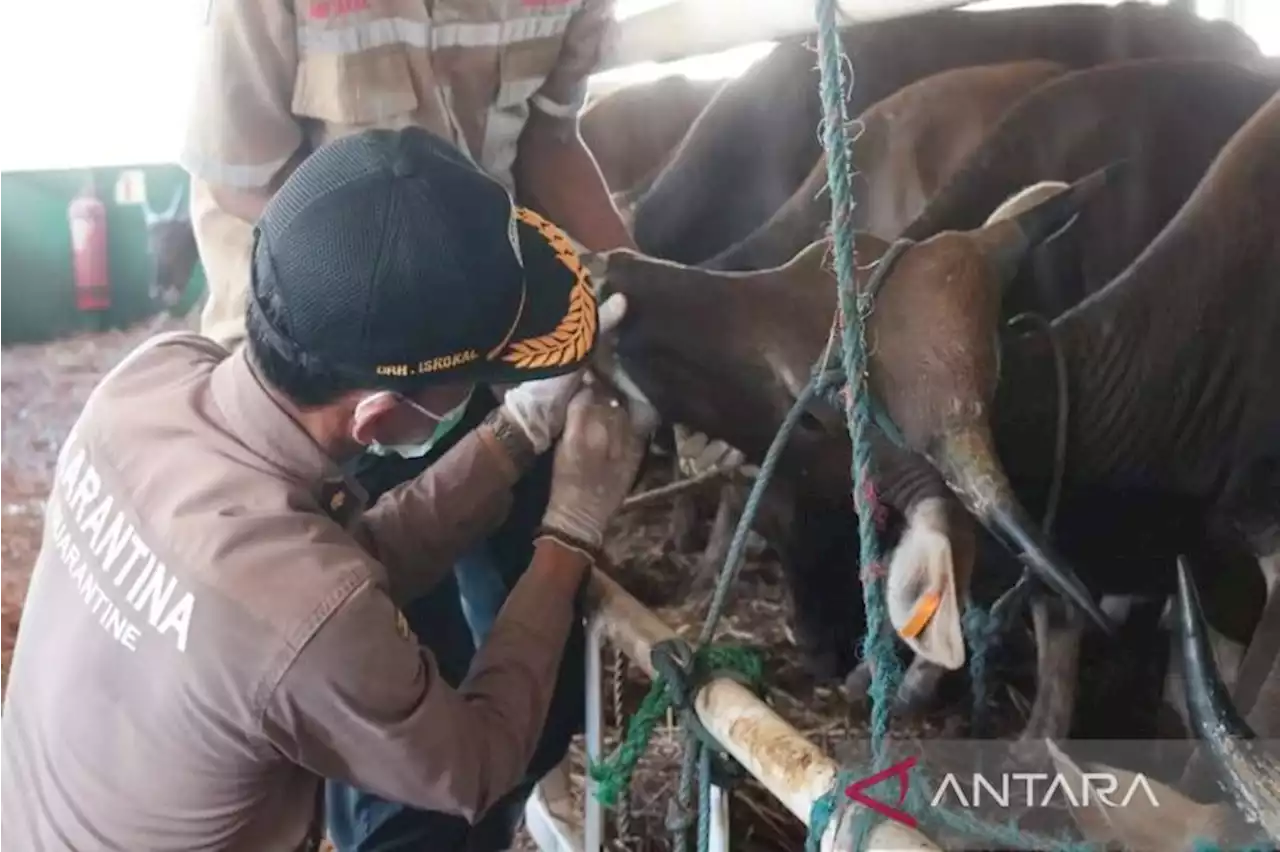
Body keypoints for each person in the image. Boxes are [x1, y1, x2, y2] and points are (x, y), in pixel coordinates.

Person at [0, 127, 653, 852]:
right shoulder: (311, 615)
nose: (482, 398)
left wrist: (514, 437)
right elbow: (473, 764)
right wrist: (569, 533)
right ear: (378, 415)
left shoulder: (148, 379)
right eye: (477, 386)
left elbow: (315, 587)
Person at [178, 1, 639, 846]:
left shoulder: (141, 398)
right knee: (390, 686)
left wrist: (641, 291)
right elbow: (243, 174)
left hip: (497, 335)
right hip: (336, 362)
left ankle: (516, 788)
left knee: (533, 649)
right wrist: (570, 533)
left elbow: (550, 140)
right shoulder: (291, 568)